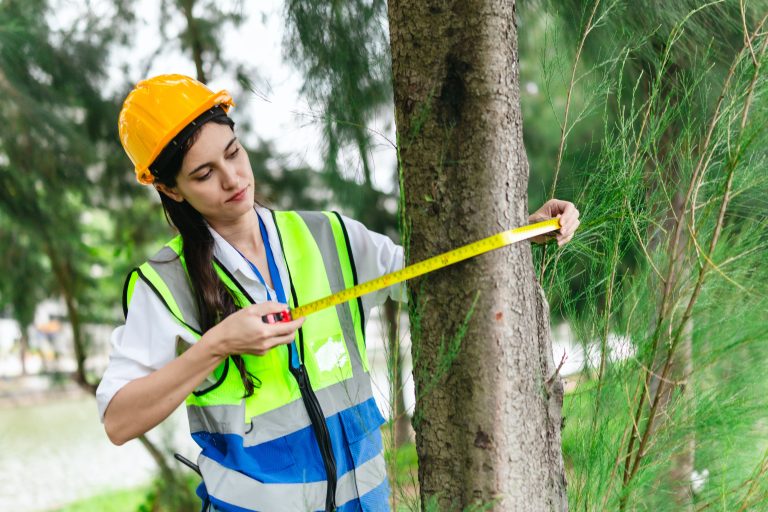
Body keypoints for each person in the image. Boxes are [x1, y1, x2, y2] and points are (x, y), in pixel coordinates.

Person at [96, 74, 580, 512]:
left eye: (233, 152)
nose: (233, 179)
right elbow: (119, 421)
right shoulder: (165, 286)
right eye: (203, 174)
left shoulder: (328, 235)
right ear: (171, 189)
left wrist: (521, 233)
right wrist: (216, 345)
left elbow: (436, 277)